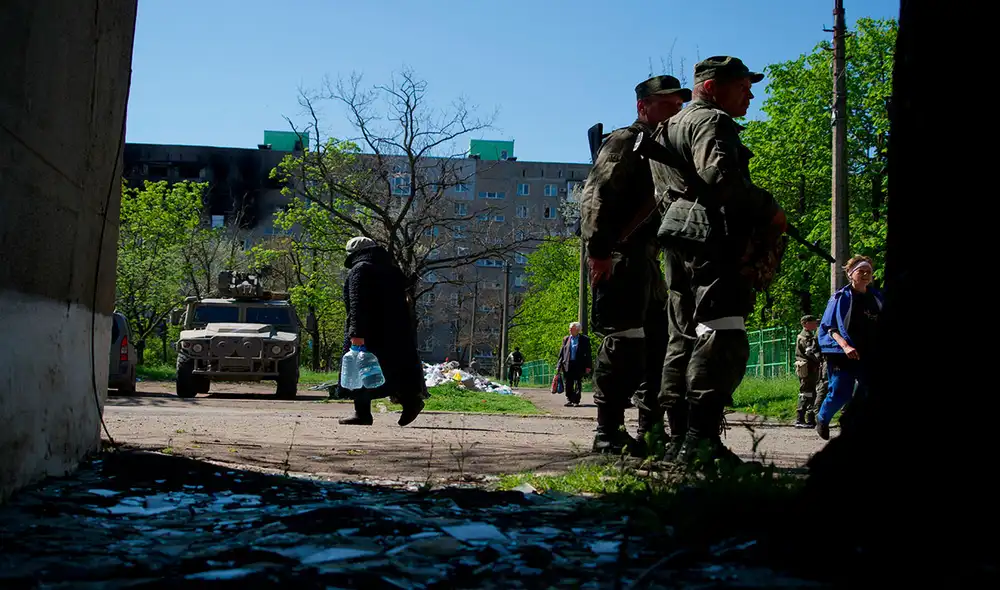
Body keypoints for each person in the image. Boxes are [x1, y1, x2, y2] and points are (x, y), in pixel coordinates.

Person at [648, 56, 788, 465]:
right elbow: (721, 179)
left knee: (683, 337)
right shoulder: (711, 122)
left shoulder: (668, 125)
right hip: (712, 240)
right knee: (724, 334)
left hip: (679, 238)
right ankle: (700, 441)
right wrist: (771, 210)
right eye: (742, 85)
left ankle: (677, 438)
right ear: (711, 88)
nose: (750, 92)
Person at [579, 74, 690, 454]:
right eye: (667, 102)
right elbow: (596, 192)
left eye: (679, 103)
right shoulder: (626, 141)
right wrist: (598, 251)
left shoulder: (668, 146)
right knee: (624, 344)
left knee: (657, 348)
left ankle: (650, 430)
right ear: (643, 106)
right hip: (620, 258)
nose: (676, 108)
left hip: (649, 262)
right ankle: (607, 431)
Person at [338, 236, 426, 427]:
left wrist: (356, 333)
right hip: (396, 332)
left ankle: (362, 413)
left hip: (368, 332)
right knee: (395, 369)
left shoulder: (360, 270)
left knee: (360, 370)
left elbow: (357, 303)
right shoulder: (392, 271)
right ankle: (411, 401)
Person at [815, 255, 884, 440]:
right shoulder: (840, 298)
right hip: (842, 352)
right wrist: (845, 346)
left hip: (869, 354)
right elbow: (829, 327)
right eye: (861, 271)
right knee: (840, 391)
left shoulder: (877, 298)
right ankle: (822, 417)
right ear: (850, 274)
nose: (865, 274)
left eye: (868, 271)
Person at [794, 314, 825, 428]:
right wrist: (820, 359)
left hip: (809, 368)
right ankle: (800, 419)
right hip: (808, 369)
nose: (815, 324)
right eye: (812, 322)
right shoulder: (805, 337)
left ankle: (809, 419)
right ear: (805, 324)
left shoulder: (808, 335)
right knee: (806, 392)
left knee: (810, 392)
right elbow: (810, 352)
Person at [556, 322, 592, 407]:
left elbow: (588, 353)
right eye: (569, 328)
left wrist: (588, 366)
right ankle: (569, 399)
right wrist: (559, 365)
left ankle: (576, 400)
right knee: (568, 383)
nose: (570, 329)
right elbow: (562, 353)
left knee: (577, 382)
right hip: (567, 364)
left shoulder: (584, 339)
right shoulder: (566, 339)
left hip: (579, 364)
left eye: (572, 328)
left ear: (577, 330)